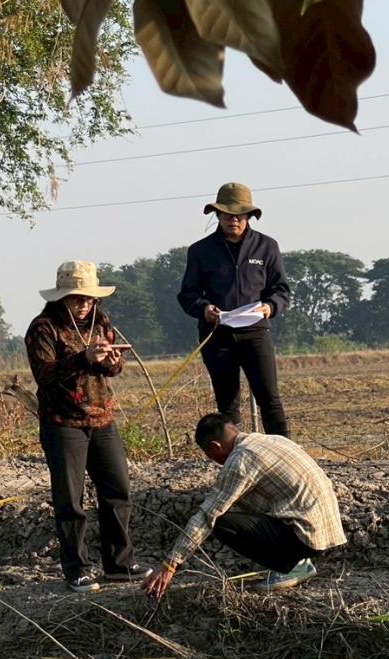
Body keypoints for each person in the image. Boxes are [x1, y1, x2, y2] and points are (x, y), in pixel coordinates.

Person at [25, 261, 152, 592]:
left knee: (118, 490)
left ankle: (119, 564)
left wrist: (112, 363)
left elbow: (112, 368)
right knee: (71, 499)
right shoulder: (44, 328)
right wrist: (83, 359)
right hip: (63, 422)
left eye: (89, 298)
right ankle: (77, 568)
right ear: (61, 299)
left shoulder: (102, 322)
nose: (84, 304)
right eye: (77, 298)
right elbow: (44, 375)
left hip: (102, 418)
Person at [143, 414, 345, 598]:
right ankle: (298, 561)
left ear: (214, 447)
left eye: (209, 455)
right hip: (324, 530)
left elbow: (207, 515)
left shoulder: (241, 459)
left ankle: (291, 566)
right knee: (237, 503)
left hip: (305, 537)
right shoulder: (272, 440)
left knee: (221, 522)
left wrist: (170, 564)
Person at [178, 182, 292, 436]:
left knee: (269, 398)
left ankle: (285, 451)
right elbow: (188, 294)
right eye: (228, 214)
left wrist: (270, 307)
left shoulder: (267, 247)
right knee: (227, 405)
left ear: (249, 217)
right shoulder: (200, 251)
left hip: (255, 331)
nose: (234, 220)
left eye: (239, 215)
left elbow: (281, 290)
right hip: (217, 334)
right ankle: (234, 457)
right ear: (217, 215)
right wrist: (204, 308)